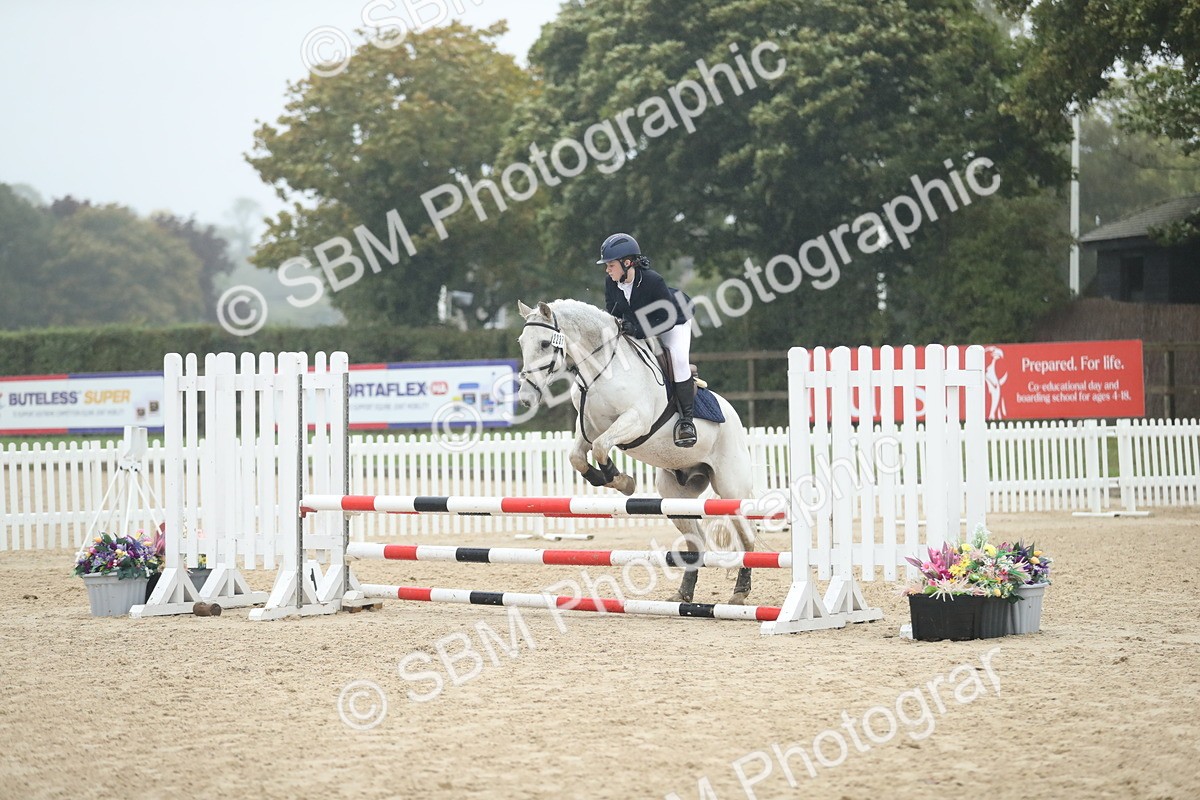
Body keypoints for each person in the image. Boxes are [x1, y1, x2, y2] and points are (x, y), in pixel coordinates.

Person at [596, 232, 697, 447]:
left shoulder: (653, 281)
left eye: (611, 265)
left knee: (677, 360)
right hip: (645, 322)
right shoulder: (611, 283)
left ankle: (686, 421)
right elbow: (612, 313)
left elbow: (665, 320)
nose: (607, 270)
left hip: (673, 319)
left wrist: (638, 330)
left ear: (627, 263)